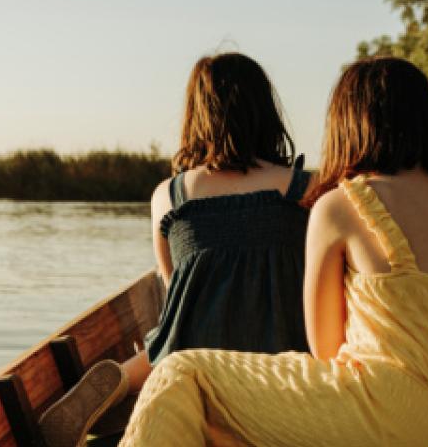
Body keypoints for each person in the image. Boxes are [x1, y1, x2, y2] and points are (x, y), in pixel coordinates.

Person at [117, 57, 428, 446]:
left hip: (370, 415)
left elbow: (322, 350)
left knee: (179, 373)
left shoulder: (342, 207)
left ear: (348, 124)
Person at [40, 53, 313, 446]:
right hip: (277, 355)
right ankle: (133, 375)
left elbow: (173, 286)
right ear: (266, 111)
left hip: (192, 353)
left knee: (174, 333)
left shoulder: (169, 196)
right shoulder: (307, 189)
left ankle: (125, 376)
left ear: (196, 116)